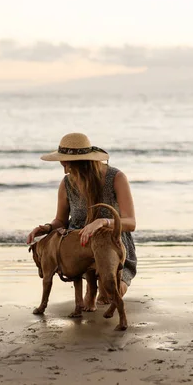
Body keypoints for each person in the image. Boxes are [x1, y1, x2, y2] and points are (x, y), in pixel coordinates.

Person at [26, 132, 137, 308]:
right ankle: (90, 286)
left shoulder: (116, 177)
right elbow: (60, 221)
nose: (64, 170)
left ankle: (100, 286)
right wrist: (46, 228)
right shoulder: (67, 183)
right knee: (94, 298)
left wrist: (103, 222)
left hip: (110, 243)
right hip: (80, 246)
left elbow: (130, 223)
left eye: (67, 165)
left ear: (82, 162)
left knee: (109, 295)